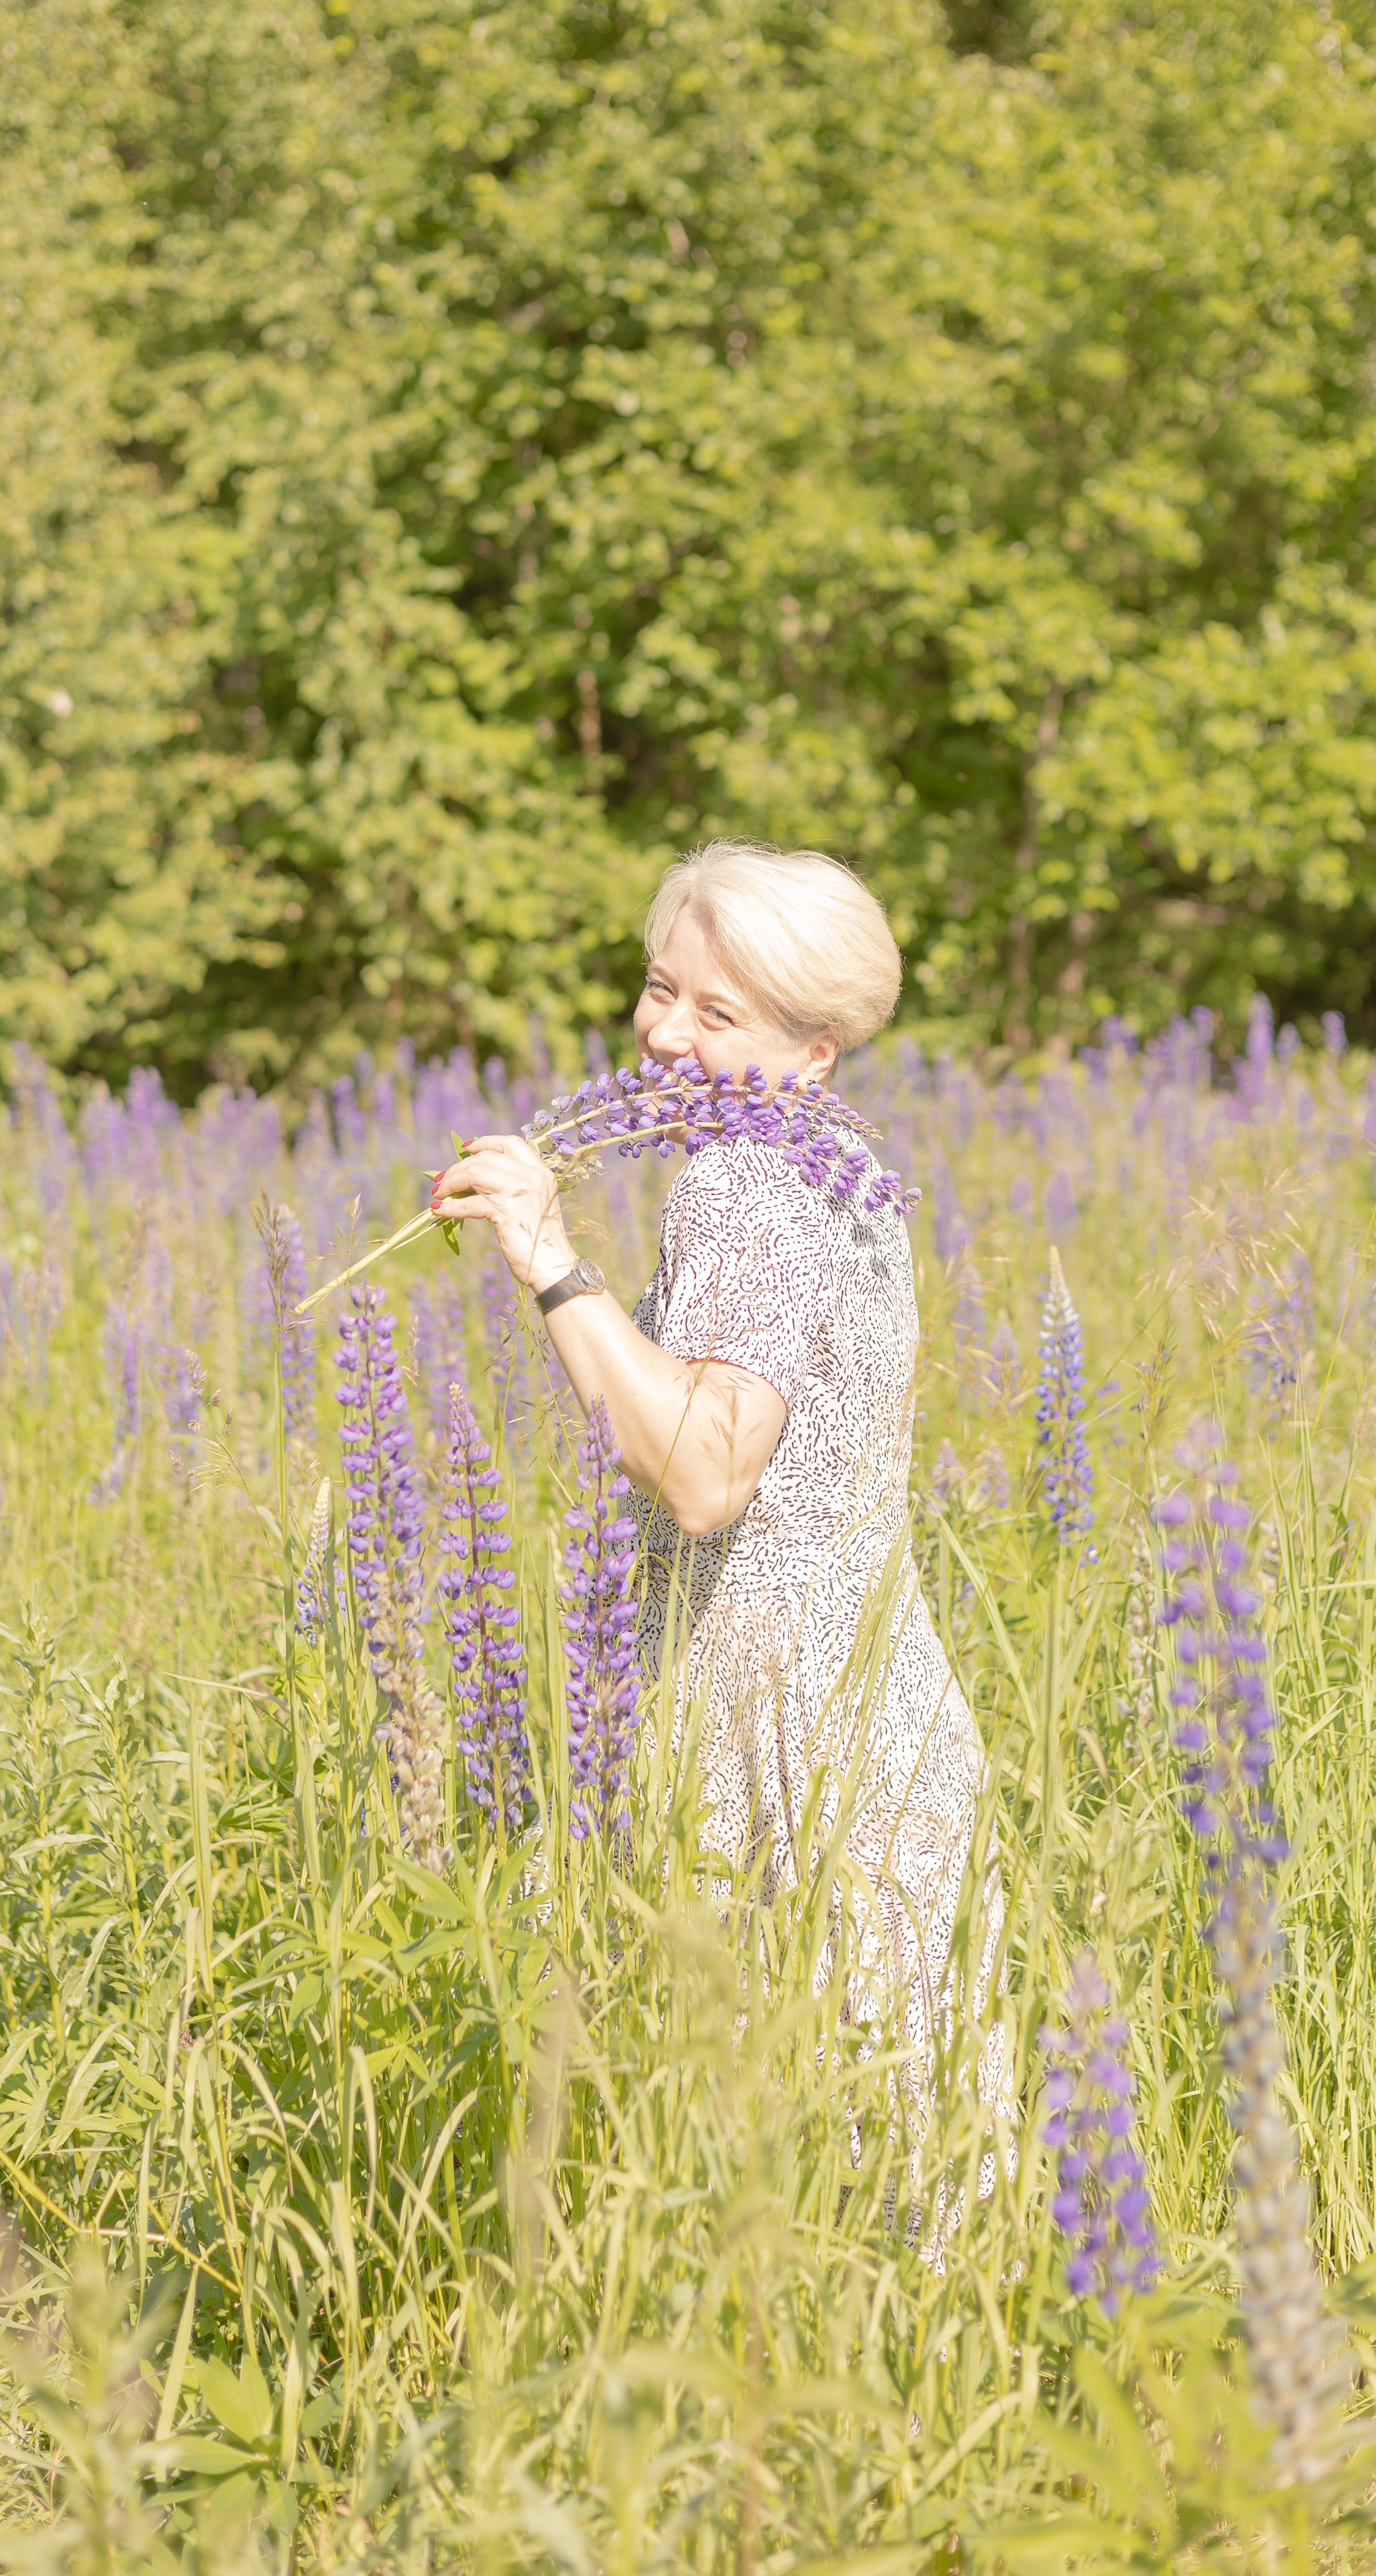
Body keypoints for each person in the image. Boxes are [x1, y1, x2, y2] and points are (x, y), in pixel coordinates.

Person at [432, 838, 1006, 2096]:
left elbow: (703, 1475)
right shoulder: (843, 1172)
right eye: (658, 988)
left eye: (717, 1011)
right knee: (909, 2174)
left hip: (772, 1741)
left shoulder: (747, 1184)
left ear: (813, 1050)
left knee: (759, 2165)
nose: (664, 1035)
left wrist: (548, 1259)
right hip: (881, 1717)